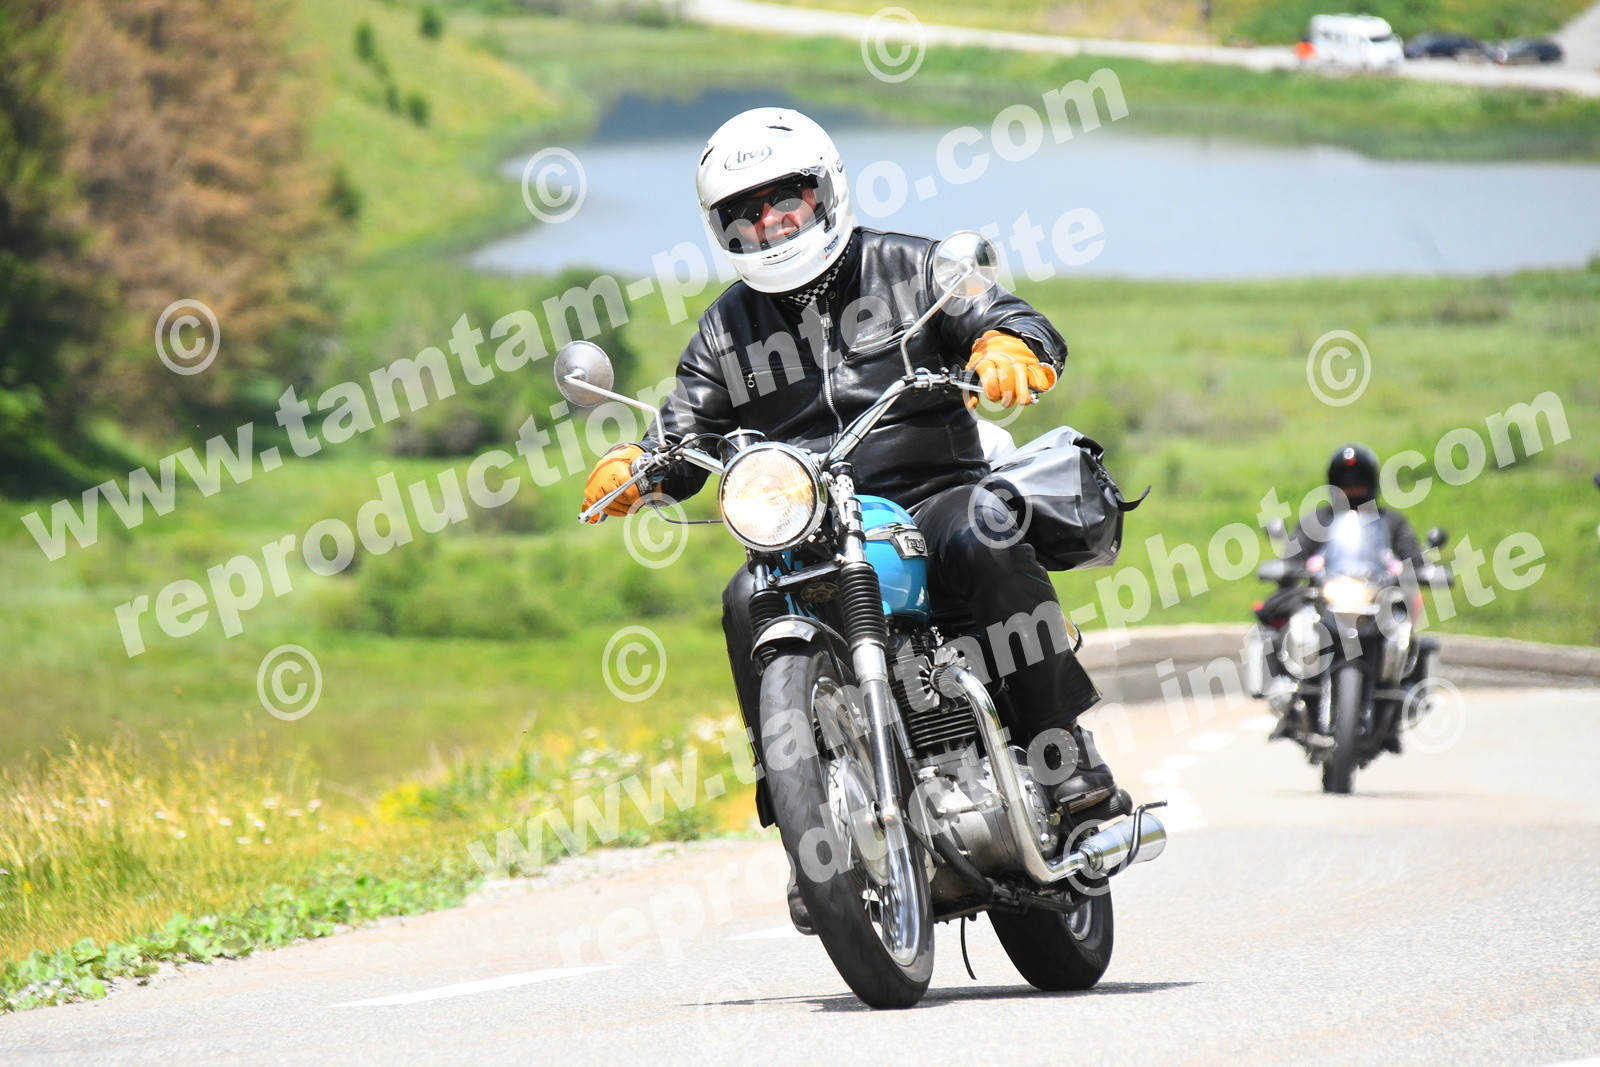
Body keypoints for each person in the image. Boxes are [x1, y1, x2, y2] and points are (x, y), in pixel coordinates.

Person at [581, 108, 1120, 923]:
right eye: (744, 211)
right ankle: (809, 836)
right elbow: (687, 427)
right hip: (807, 525)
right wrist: (640, 465)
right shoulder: (727, 327)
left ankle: (1059, 749)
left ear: (824, 189)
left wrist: (1007, 345)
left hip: (932, 492)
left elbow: (1010, 315)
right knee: (743, 598)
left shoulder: (913, 265)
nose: (769, 220)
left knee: (987, 529)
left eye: (784, 197)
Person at [1256, 443, 1432, 746]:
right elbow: (1293, 556)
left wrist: (1422, 571)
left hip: (1376, 602)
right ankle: (1286, 687)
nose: (1352, 487)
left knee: (1406, 627)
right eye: (1346, 481)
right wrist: (1288, 568)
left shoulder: (1391, 522)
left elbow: (1413, 559)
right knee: (1281, 615)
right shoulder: (1317, 521)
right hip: (1326, 599)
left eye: (1358, 480)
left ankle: (1399, 694)